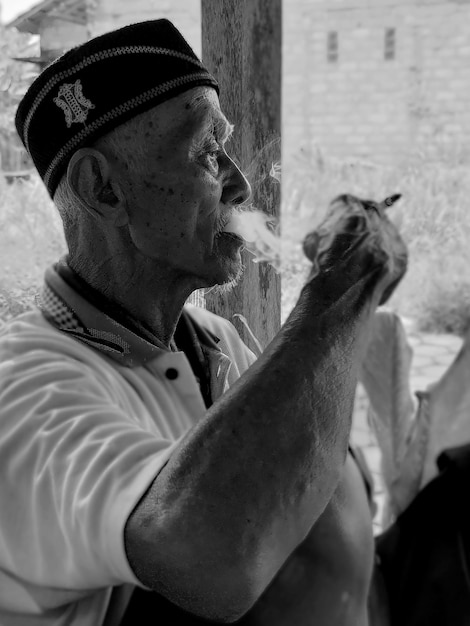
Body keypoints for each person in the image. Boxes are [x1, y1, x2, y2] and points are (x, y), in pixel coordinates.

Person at [0, 19, 407, 626]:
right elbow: (206, 557)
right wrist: (339, 292)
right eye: (207, 153)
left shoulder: (212, 338)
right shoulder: (27, 391)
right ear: (103, 188)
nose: (240, 183)